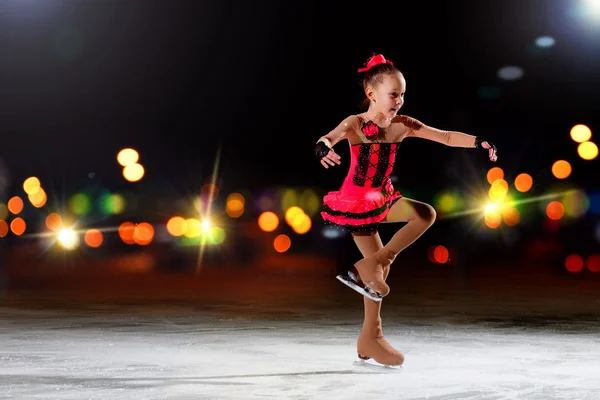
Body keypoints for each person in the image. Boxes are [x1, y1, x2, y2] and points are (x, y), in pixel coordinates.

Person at [314, 54, 498, 366]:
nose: (400, 100)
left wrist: (478, 141)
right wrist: (322, 149)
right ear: (372, 94)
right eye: (394, 94)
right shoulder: (355, 123)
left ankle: (369, 307)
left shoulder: (402, 125)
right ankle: (370, 329)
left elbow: (445, 136)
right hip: (356, 201)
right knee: (381, 273)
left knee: (421, 217)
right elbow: (328, 137)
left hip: (383, 198)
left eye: (403, 94)